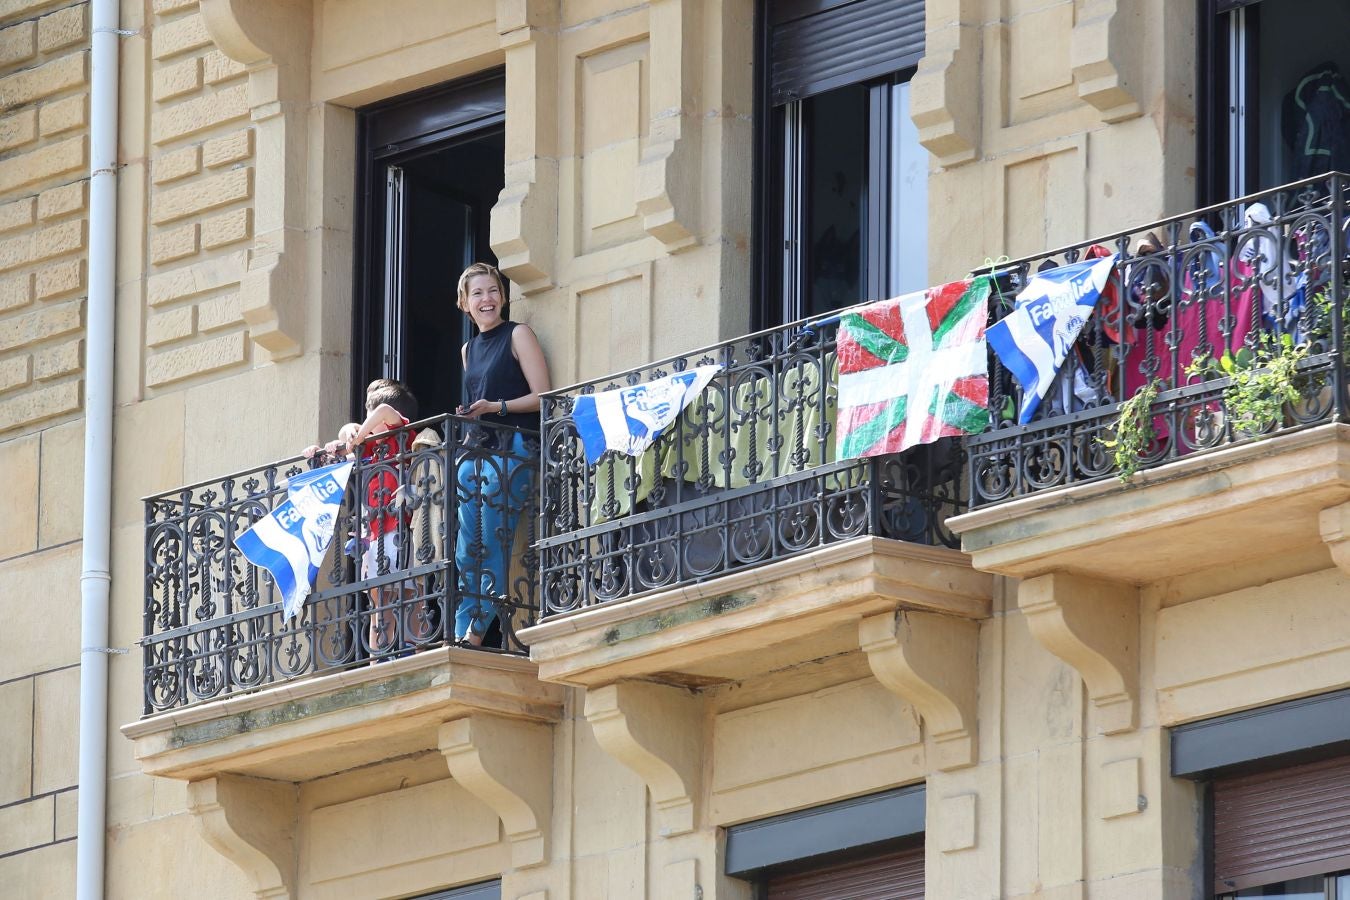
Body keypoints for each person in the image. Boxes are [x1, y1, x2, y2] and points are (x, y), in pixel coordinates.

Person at [448, 262, 551, 646]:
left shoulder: (518, 334)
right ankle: (460, 628)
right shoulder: (468, 349)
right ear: (464, 303)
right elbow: (481, 399)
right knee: (465, 550)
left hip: (515, 447)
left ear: (503, 297)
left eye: (493, 291)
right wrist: (474, 413)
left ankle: (476, 633)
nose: (486, 299)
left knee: (491, 539)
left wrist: (497, 407)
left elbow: (542, 395)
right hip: (479, 451)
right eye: (477, 293)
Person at [306, 379, 421, 655]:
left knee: (409, 594)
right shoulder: (370, 447)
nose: (366, 425)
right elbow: (346, 432)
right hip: (374, 533)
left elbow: (384, 411)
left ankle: (414, 650)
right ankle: (377, 658)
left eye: (369, 418)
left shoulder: (401, 435)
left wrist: (362, 430)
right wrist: (349, 432)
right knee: (379, 600)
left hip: (400, 529)